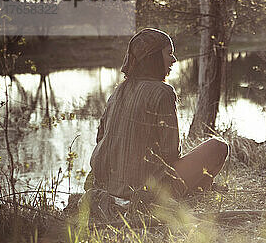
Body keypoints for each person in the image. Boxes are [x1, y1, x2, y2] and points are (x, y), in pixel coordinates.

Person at [87, 28, 229, 201]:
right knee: (218, 146)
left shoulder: (118, 91)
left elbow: (100, 137)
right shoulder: (163, 92)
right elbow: (170, 153)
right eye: (169, 53)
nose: (174, 59)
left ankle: (199, 191)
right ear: (153, 57)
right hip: (148, 190)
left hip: (109, 186)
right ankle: (195, 193)